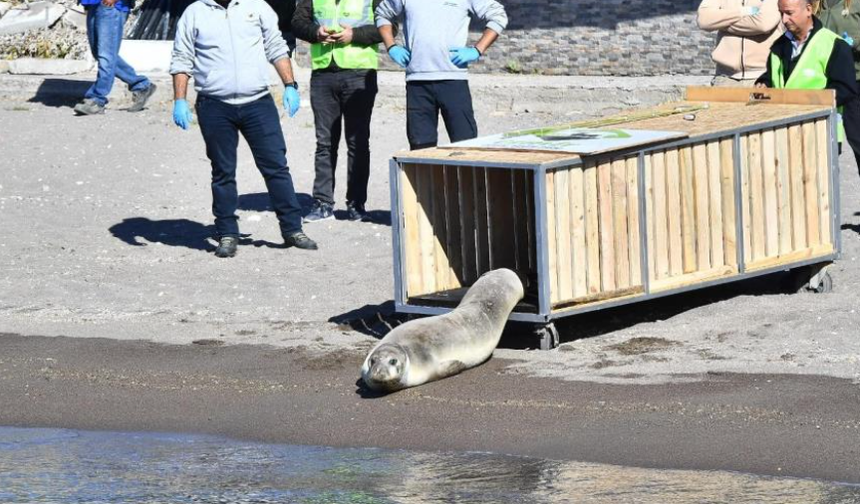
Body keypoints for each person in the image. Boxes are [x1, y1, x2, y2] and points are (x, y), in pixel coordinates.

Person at [169, 0, 318, 258]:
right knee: (223, 171)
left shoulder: (257, 7)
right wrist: (179, 99)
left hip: (257, 103)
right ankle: (227, 233)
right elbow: (182, 57)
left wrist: (290, 85)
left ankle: (293, 229)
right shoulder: (194, 13)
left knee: (276, 167)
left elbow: (276, 46)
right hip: (214, 105)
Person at [292, 0, 386, 222]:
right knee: (324, 143)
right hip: (323, 74)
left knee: (358, 143)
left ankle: (356, 204)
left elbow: (388, 27)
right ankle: (323, 203)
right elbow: (297, 22)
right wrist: (316, 32)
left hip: (359, 74)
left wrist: (355, 35)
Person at [375, 0, 507, 150]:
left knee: (465, 145)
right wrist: (391, 46)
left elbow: (498, 15)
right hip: (418, 82)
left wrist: (477, 49)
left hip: (453, 80)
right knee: (421, 149)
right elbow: (382, 14)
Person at [756, 0, 860, 168]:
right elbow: (776, 75)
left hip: (820, 130)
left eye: (789, 13)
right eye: (781, 13)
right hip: (784, 130)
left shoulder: (834, 45)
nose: (783, 20)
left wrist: (809, 102)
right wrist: (764, 81)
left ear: (809, 10)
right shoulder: (778, 46)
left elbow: (844, 89)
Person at [74, 0, 157, 115]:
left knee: (106, 56)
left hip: (111, 6)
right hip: (93, 4)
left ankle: (97, 99)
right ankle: (141, 85)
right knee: (100, 53)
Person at [697, 0, 784, 87]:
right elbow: (703, 19)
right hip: (725, 78)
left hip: (763, 78)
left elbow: (763, 24)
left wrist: (722, 24)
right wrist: (744, 11)